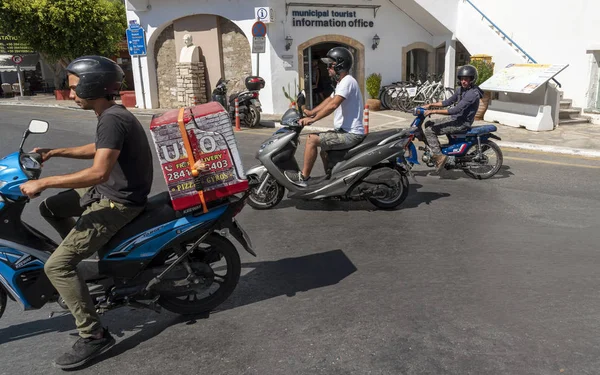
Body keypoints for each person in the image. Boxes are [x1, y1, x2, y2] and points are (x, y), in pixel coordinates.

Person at [19, 56, 154, 369]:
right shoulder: (110, 114)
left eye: (74, 88)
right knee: (51, 208)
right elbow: (100, 148)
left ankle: (94, 335)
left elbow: (99, 173)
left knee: (57, 267)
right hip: (109, 191)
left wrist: (46, 182)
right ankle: (85, 258)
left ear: (94, 86)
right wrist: (55, 152)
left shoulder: (111, 118)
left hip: (117, 202)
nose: (70, 94)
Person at [284, 47, 365, 187]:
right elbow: (329, 100)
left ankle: (303, 178)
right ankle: (332, 180)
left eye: (330, 65)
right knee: (325, 151)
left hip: (351, 134)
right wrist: (310, 112)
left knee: (312, 139)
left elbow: (333, 105)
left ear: (340, 65)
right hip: (344, 131)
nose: (327, 68)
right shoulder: (342, 83)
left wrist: (312, 120)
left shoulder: (348, 81)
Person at [421, 64, 483, 172]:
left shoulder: (472, 94)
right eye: (462, 79)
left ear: (472, 80)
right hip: (456, 118)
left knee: (429, 130)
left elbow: (455, 110)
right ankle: (439, 150)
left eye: (466, 79)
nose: (464, 81)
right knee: (428, 123)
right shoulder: (461, 90)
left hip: (462, 122)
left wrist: (434, 111)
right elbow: (447, 102)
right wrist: (431, 105)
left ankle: (439, 157)